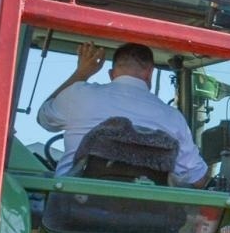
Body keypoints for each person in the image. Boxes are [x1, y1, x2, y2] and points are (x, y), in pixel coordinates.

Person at [36, 42, 208, 185]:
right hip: (147, 221)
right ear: (150, 73)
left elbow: (44, 119)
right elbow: (198, 179)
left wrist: (81, 73)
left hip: (71, 215)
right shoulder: (173, 117)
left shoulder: (78, 94)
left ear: (111, 75)